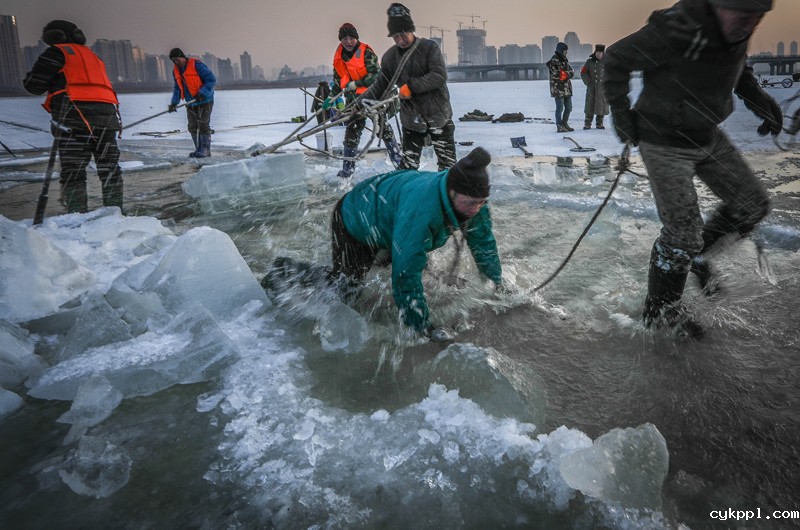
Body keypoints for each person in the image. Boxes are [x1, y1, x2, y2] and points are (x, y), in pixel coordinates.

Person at [603, 0, 782, 337]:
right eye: (744, 16)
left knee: (752, 204)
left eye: (758, 18)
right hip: (663, 139)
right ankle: (660, 312)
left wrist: (758, 99)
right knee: (681, 232)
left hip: (706, 135)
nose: (750, 25)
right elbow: (616, 58)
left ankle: (698, 258)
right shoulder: (677, 27)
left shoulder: (737, 29)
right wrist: (621, 112)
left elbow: (737, 65)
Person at [329, 147, 503, 336]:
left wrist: (496, 284)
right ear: (451, 192)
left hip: (392, 213)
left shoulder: (473, 199)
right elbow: (406, 273)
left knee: (414, 269)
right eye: (470, 203)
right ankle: (300, 280)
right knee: (348, 288)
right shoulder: (421, 212)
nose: (475, 209)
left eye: (482, 202)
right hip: (355, 215)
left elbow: (484, 244)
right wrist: (421, 328)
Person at [23, 20, 123, 214]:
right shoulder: (93, 56)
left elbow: (33, 86)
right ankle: (116, 214)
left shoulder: (57, 52)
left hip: (74, 120)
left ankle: (77, 218)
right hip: (107, 120)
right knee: (110, 169)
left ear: (54, 37)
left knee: (74, 173)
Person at [359, 3, 456, 171]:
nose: (400, 40)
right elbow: (380, 84)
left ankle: (447, 192)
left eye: (403, 34)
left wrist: (411, 86)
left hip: (438, 114)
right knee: (408, 166)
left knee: (448, 166)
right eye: (395, 36)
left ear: (411, 30)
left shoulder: (429, 48)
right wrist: (359, 104)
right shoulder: (390, 57)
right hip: (412, 118)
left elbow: (439, 76)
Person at [324, 22, 403, 178]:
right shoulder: (338, 56)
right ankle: (348, 169)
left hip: (373, 96)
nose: (348, 42)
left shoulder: (366, 52)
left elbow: (376, 76)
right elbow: (338, 79)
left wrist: (357, 84)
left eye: (351, 38)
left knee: (382, 128)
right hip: (354, 100)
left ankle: (399, 162)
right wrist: (330, 97)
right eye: (344, 38)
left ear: (356, 38)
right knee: (352, 131)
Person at [167, 48, 216, 158]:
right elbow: (177, 88)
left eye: (177, 59)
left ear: (182, 56)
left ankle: (205, 150)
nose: (175, 62)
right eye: (173, 60)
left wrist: (202, 92)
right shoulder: (176, 71)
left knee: (203, 125)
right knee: (192, 126)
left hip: (204, 100)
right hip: (191, 102)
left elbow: (211, 79)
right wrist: (174, 103)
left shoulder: (197, 65)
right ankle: (198, 148)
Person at [546, 42, 575, 132]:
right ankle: (559, 125)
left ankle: (564, 123)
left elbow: (572, 72)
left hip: (566, 89)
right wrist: (567, 74)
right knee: (560, 108)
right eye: (565, 51)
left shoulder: (564, 60)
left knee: (569, 108)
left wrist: (567, 74)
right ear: (561, 50)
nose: (566, 53)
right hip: (558, 89)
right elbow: (558, 75)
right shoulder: (554, 60)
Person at [580, 44, 609, 130]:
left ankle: (599, 123)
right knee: (589, 106)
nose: (598, 54)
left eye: (600, 52)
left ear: (603, 53)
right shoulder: (589, 62)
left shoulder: (607, 62)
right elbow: (583, 72)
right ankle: (587, 124)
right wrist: (588, 82)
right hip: (592, 88)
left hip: (602, 88)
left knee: (601, 106)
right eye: (597, 52)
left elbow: (612, 73)